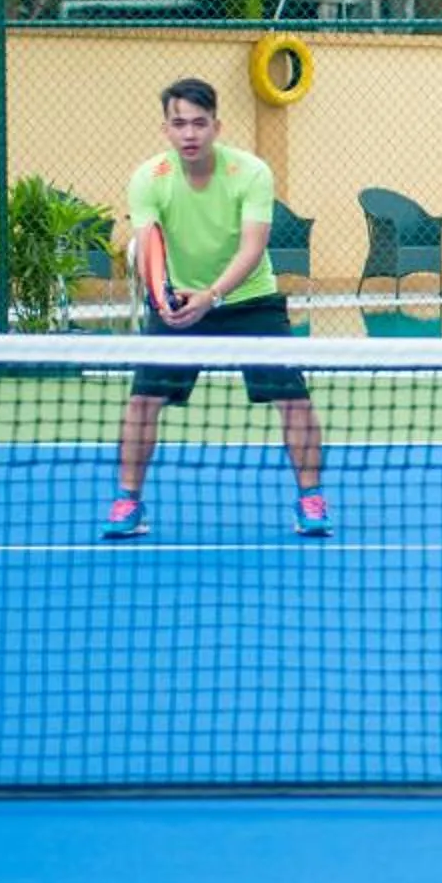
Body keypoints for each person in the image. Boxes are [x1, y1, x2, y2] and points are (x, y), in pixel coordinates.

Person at [103, 77, 330, 540]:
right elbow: (148, 244)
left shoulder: (250, 173)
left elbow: (253, 247)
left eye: (199, 123)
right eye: (179, 123)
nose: (190, 134)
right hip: (179, 302)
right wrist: (165, 298)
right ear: (165, 128)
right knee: (144, 401)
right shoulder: (149, 179)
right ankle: (128, 500)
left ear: (217, 126)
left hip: (249, 300)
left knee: (293, 400)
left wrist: (212, 297)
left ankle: (310, 498)